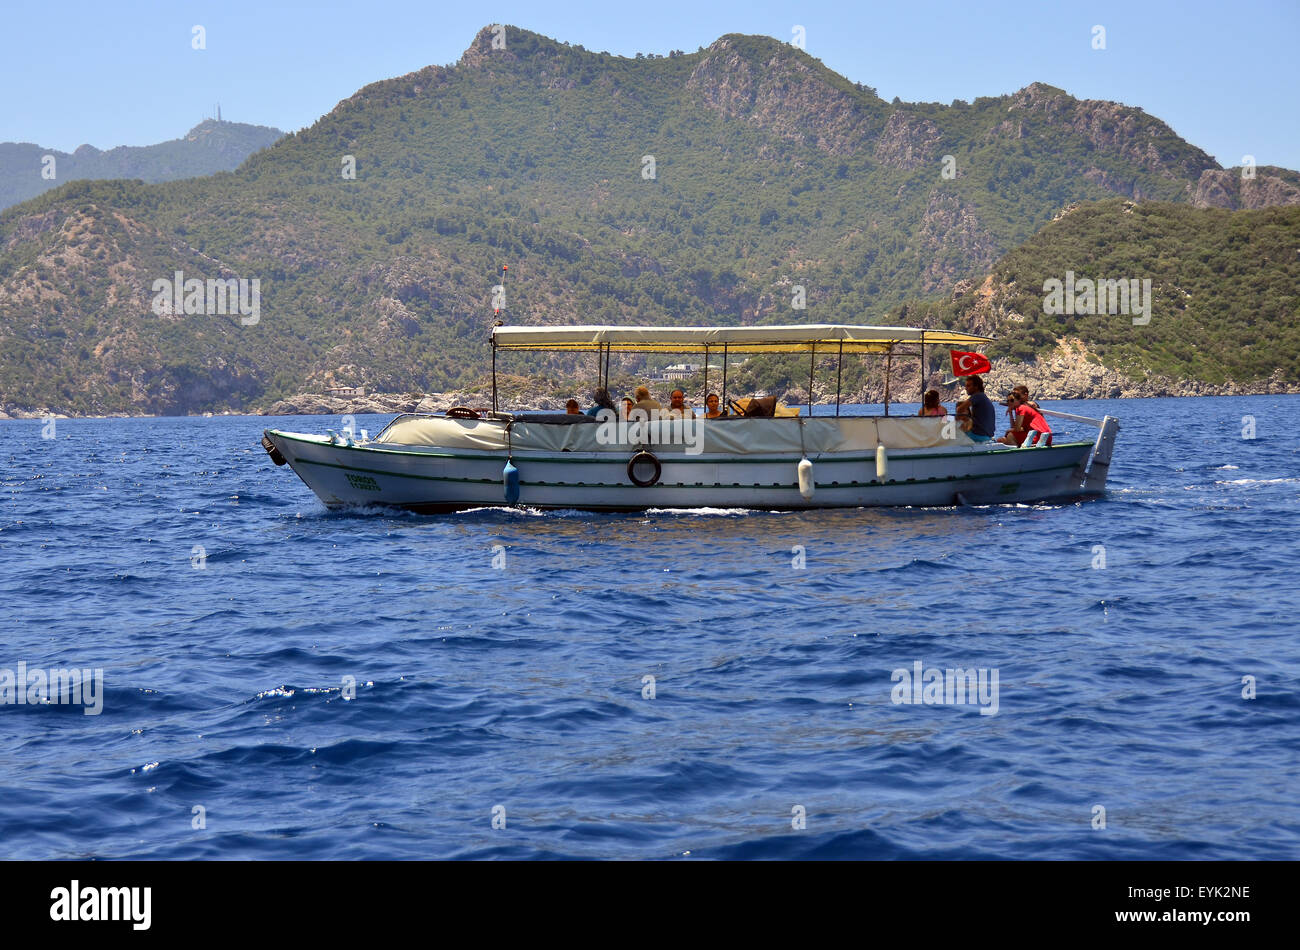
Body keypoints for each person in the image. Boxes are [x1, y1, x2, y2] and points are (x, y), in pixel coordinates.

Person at [956, 375, 996, 442]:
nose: (966, 388)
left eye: (968, 386)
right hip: (987, 435)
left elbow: (960, 409)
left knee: (951, 434)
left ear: (976, 387)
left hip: (978, 435)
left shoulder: (977, 396)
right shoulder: (983, 397)